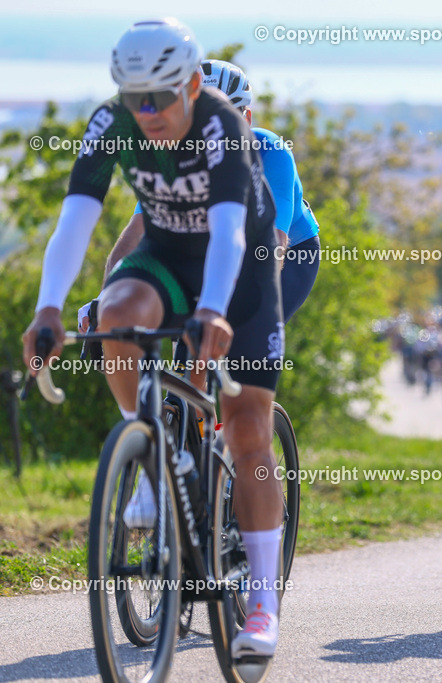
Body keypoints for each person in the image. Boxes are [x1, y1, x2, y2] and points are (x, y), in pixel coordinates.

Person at [21, 20, 284, 657]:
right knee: (116, 312)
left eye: (162, 97)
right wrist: (48, 309)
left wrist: (214, 313)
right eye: (134, 98)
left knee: (247, 425)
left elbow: (229, 236)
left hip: (240, 270)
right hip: (166, 257)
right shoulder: (111, 123)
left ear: (192, 83)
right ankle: (147, 446)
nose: (148, 113)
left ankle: (261, 602)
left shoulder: (223, 124)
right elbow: (74, 222)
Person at [81, 59, 320, 327]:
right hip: (212, 242)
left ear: (247, 119)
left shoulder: (271, 153)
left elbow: (273, 243)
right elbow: (136, 232)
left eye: (225, 115)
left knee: (236, 334)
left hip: (289, 251)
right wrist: (106, 296)